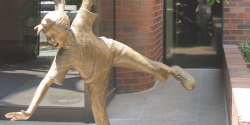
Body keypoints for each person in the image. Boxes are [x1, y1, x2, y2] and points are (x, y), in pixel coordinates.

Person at [5, 0, 195, 124]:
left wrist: (60, 6)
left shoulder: (79, 22)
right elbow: (45, 82)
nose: (51, 41)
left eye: (53, 35)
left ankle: (174, 71)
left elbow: (87, 2)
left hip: (112, 50)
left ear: (66, 27)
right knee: (98, 112)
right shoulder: (62, 58)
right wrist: (30, 110)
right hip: (95, 78)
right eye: (48, 38)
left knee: (149, 66)